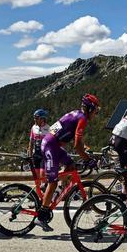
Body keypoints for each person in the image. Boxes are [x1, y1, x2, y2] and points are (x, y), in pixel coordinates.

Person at [37, 94, 101, 232]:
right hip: (50, 146)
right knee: (52, 182)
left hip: (55, 146)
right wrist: (87, 159)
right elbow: (77, 146)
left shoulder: (78, 114)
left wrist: (86, 150)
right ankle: (41, 216)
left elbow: (79, 142)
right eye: (96, 111)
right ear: (90, 109)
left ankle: (56, 190)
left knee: (71, 166)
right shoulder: (82, 118)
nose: (96, 114)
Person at [28, 109, 50, 178]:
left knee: (42, 174)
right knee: (36, 176)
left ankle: (45, 187)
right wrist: (29, 156)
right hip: (36, 155)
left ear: (42, 119)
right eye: (34, 118)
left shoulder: (49, 129)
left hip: (45, 155)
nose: (34, 119)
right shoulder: (33, 128)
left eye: (36, 118)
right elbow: (31, 142)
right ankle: (38, 188)